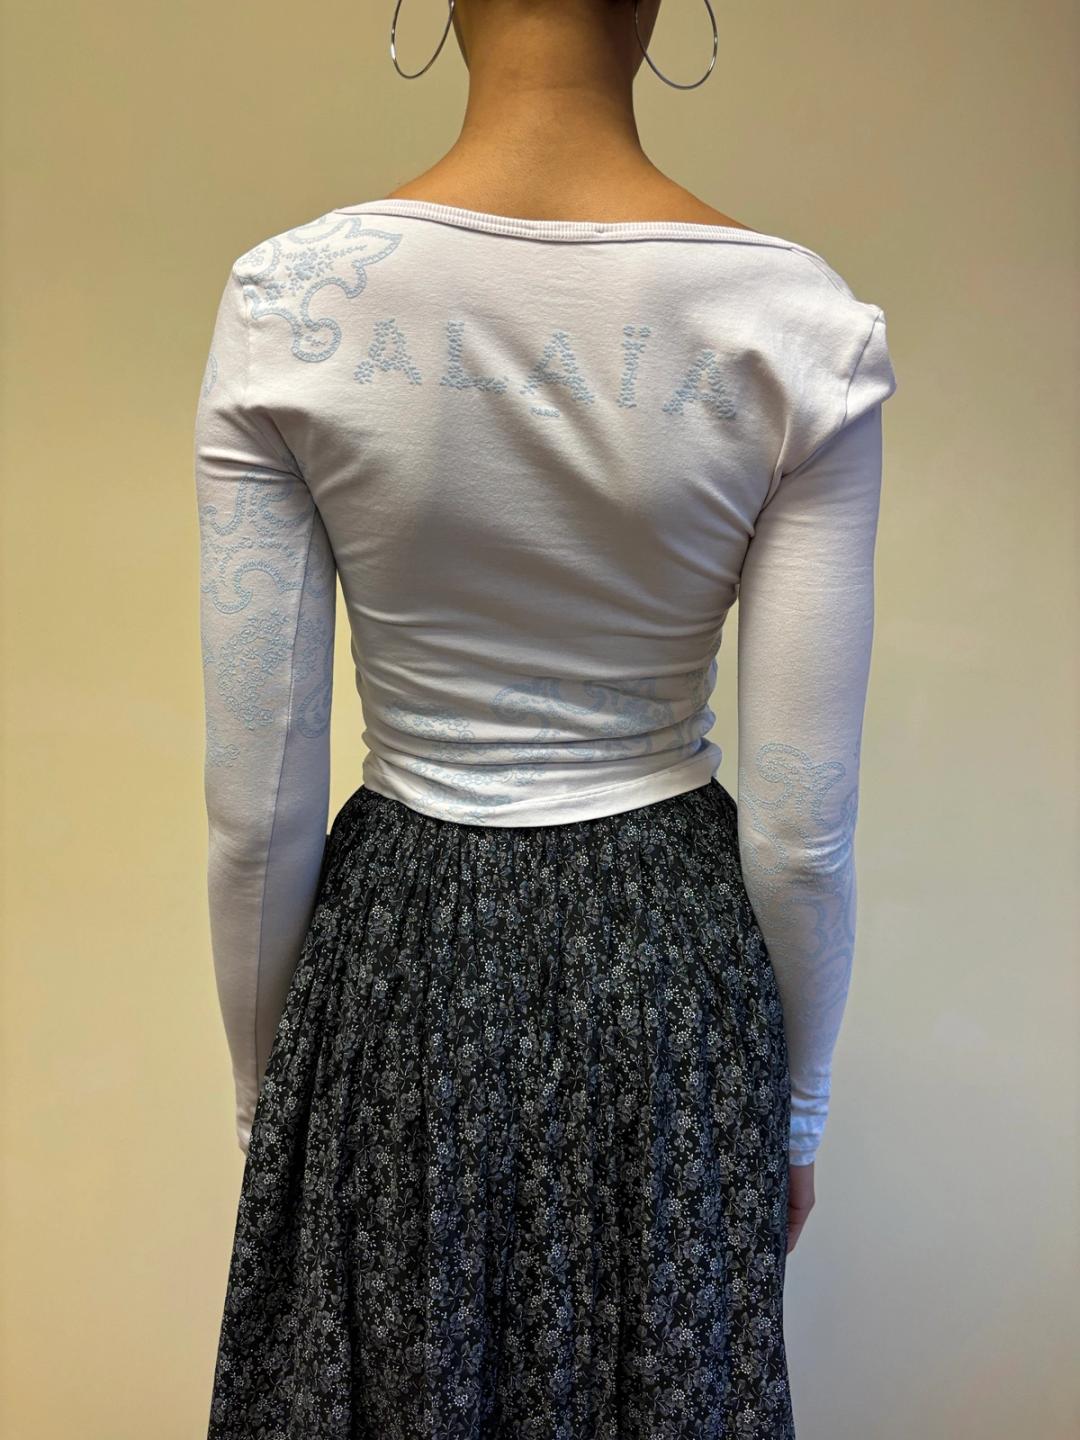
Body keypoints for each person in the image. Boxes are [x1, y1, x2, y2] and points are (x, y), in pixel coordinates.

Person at [194, 1, 897, 1435]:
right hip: (670, 978)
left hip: (398, 968)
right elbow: (803, 831)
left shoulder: (287, 307)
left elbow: (257, 811)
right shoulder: (800, 328)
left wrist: (276, 1109)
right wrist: (798, 1112)